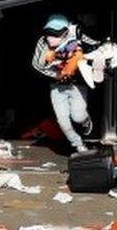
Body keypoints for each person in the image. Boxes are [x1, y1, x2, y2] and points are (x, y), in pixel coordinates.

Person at [32, 14, 99, 153]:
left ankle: (86, 121)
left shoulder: (77, 35)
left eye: (55, 34)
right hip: (57, 86)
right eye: (48, 33)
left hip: (77, 84)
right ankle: (78, 144)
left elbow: (95, 44)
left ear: (65, 32)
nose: (50, 37)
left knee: (78, 115)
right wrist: (56, 75)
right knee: (63, 121)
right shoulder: (43, 42)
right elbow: (36, 64)